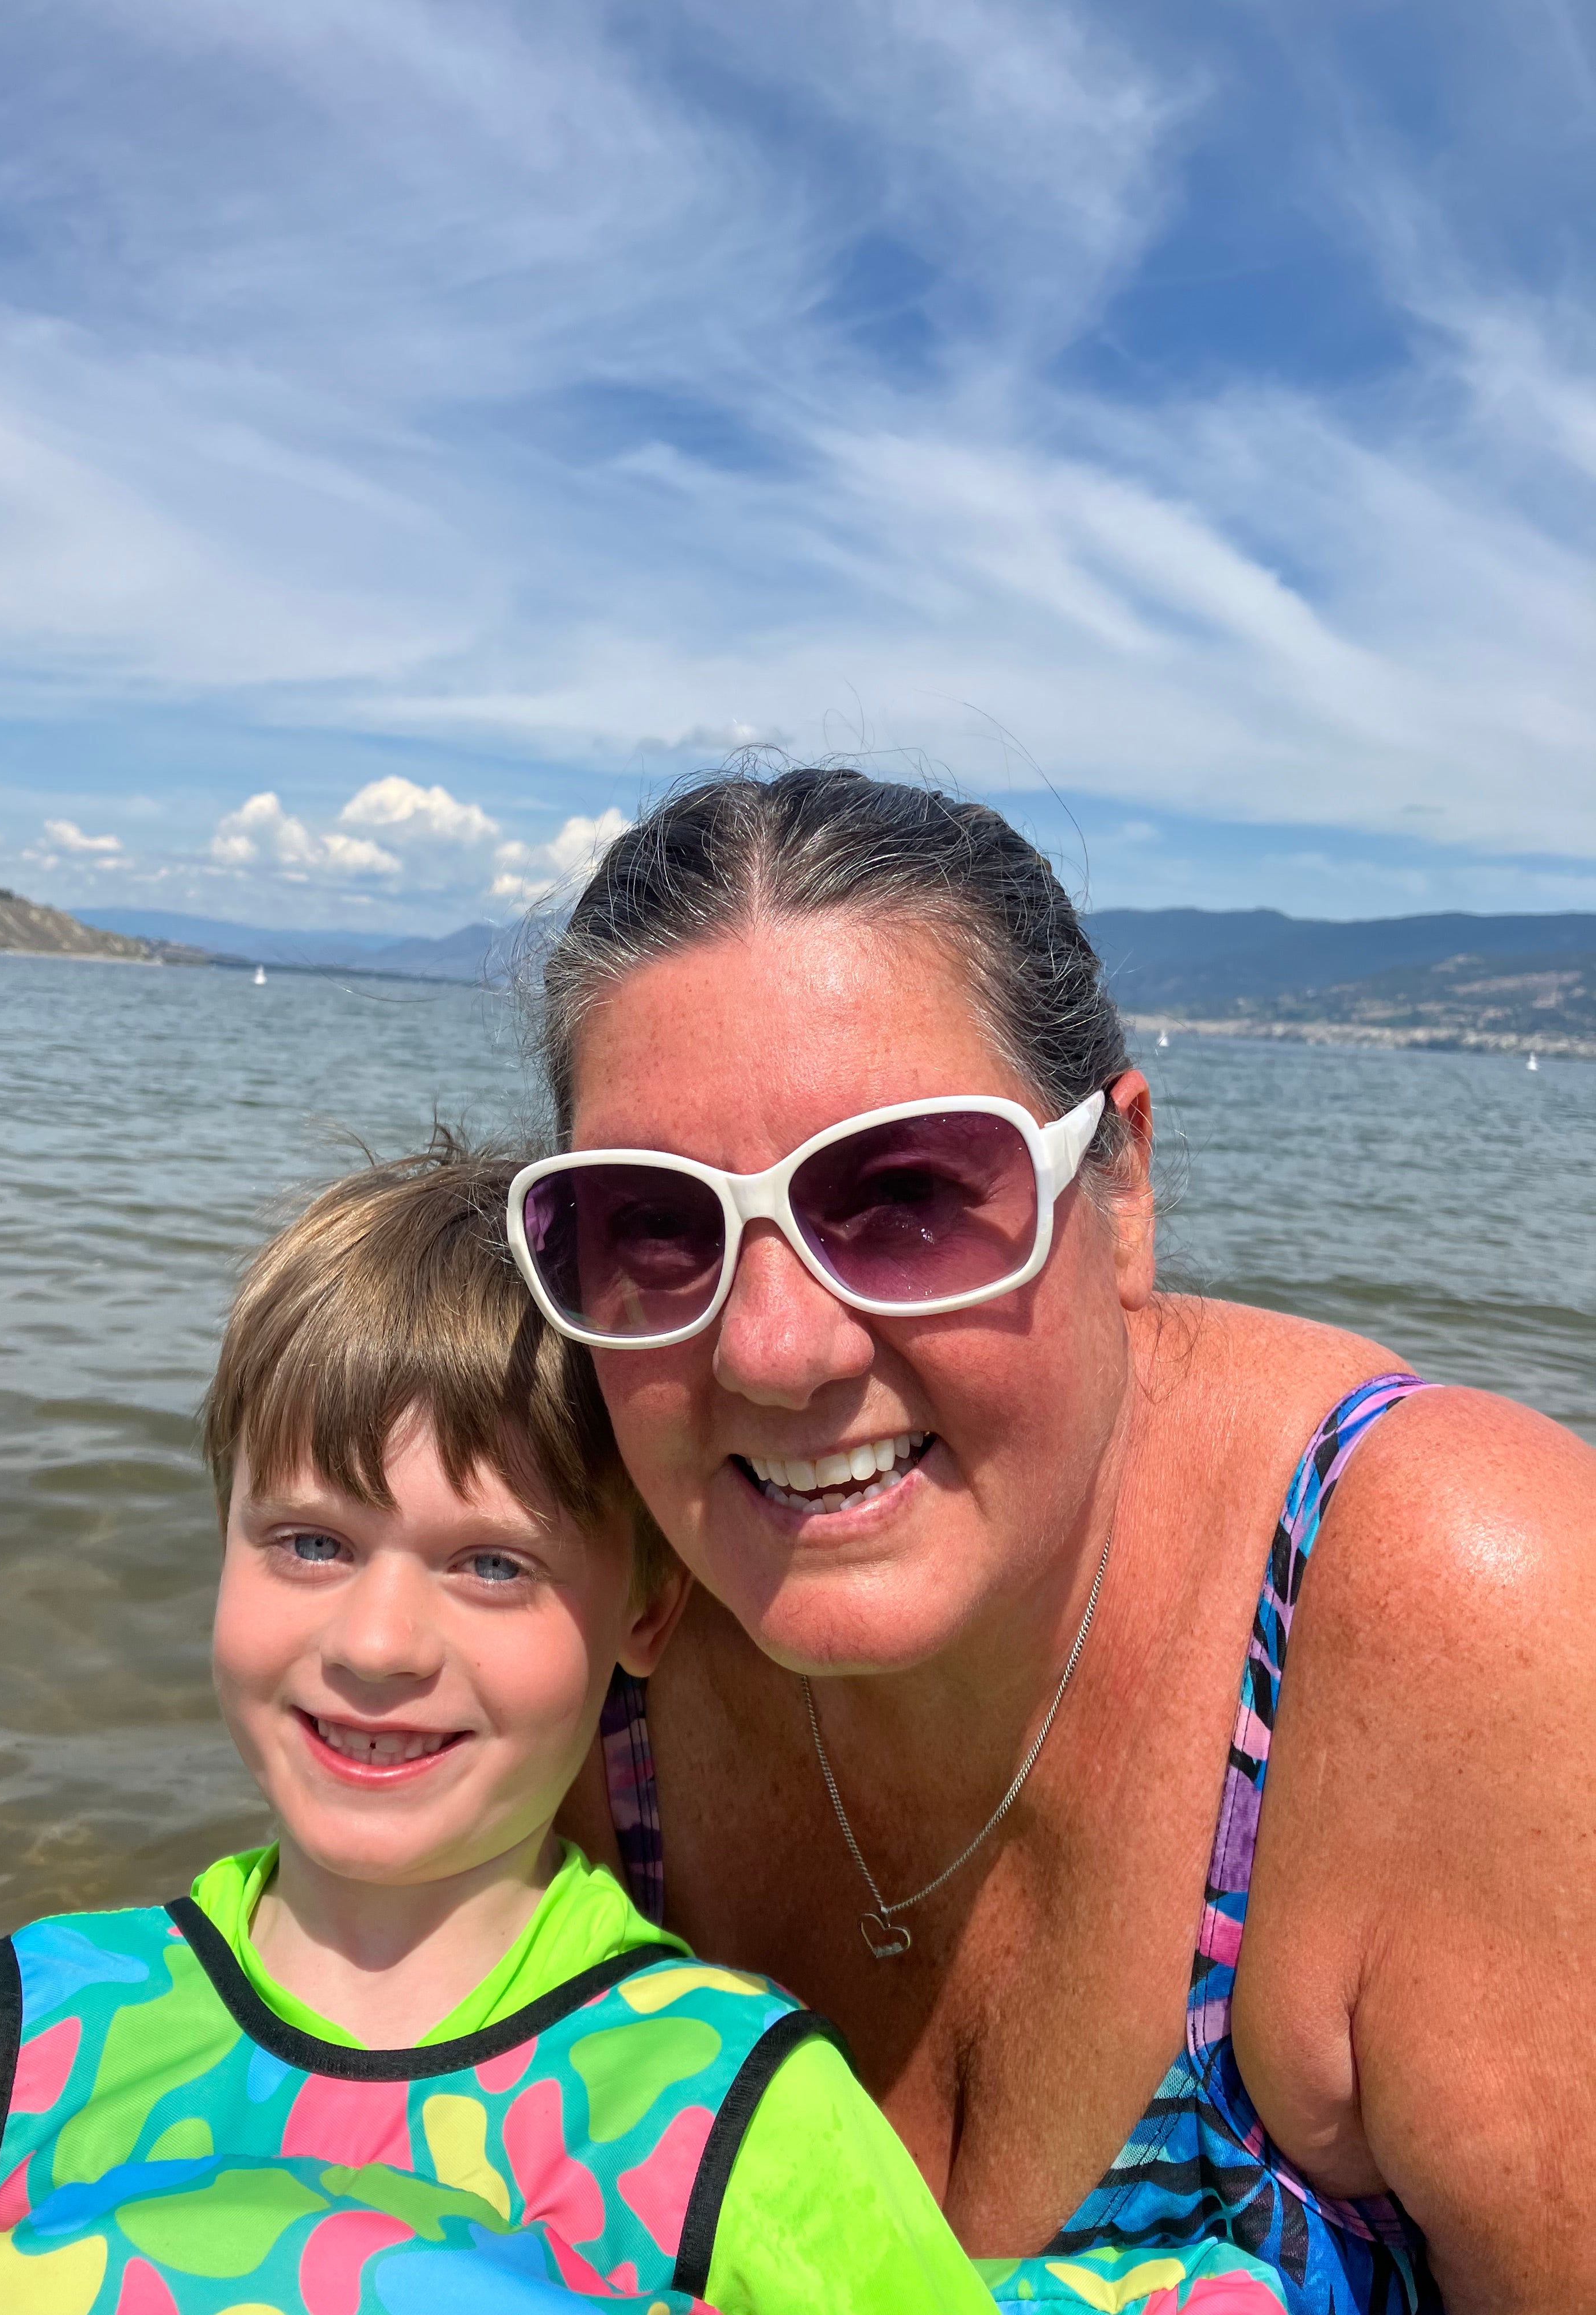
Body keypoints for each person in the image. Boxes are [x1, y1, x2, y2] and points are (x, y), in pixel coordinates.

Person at [505, 765, 1596, 2315]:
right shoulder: (583, 1618)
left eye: (905, 1198)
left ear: (1124, 1184)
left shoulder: (1461, 1605)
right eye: (656, 1228)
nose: (774, 1348)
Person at [0, 1143, 1283, 2315]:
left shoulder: (727, 2106)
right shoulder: (14, 2037)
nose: (372, 1647)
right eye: (307, 1542)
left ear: (647, 1615)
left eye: (493, 1566)